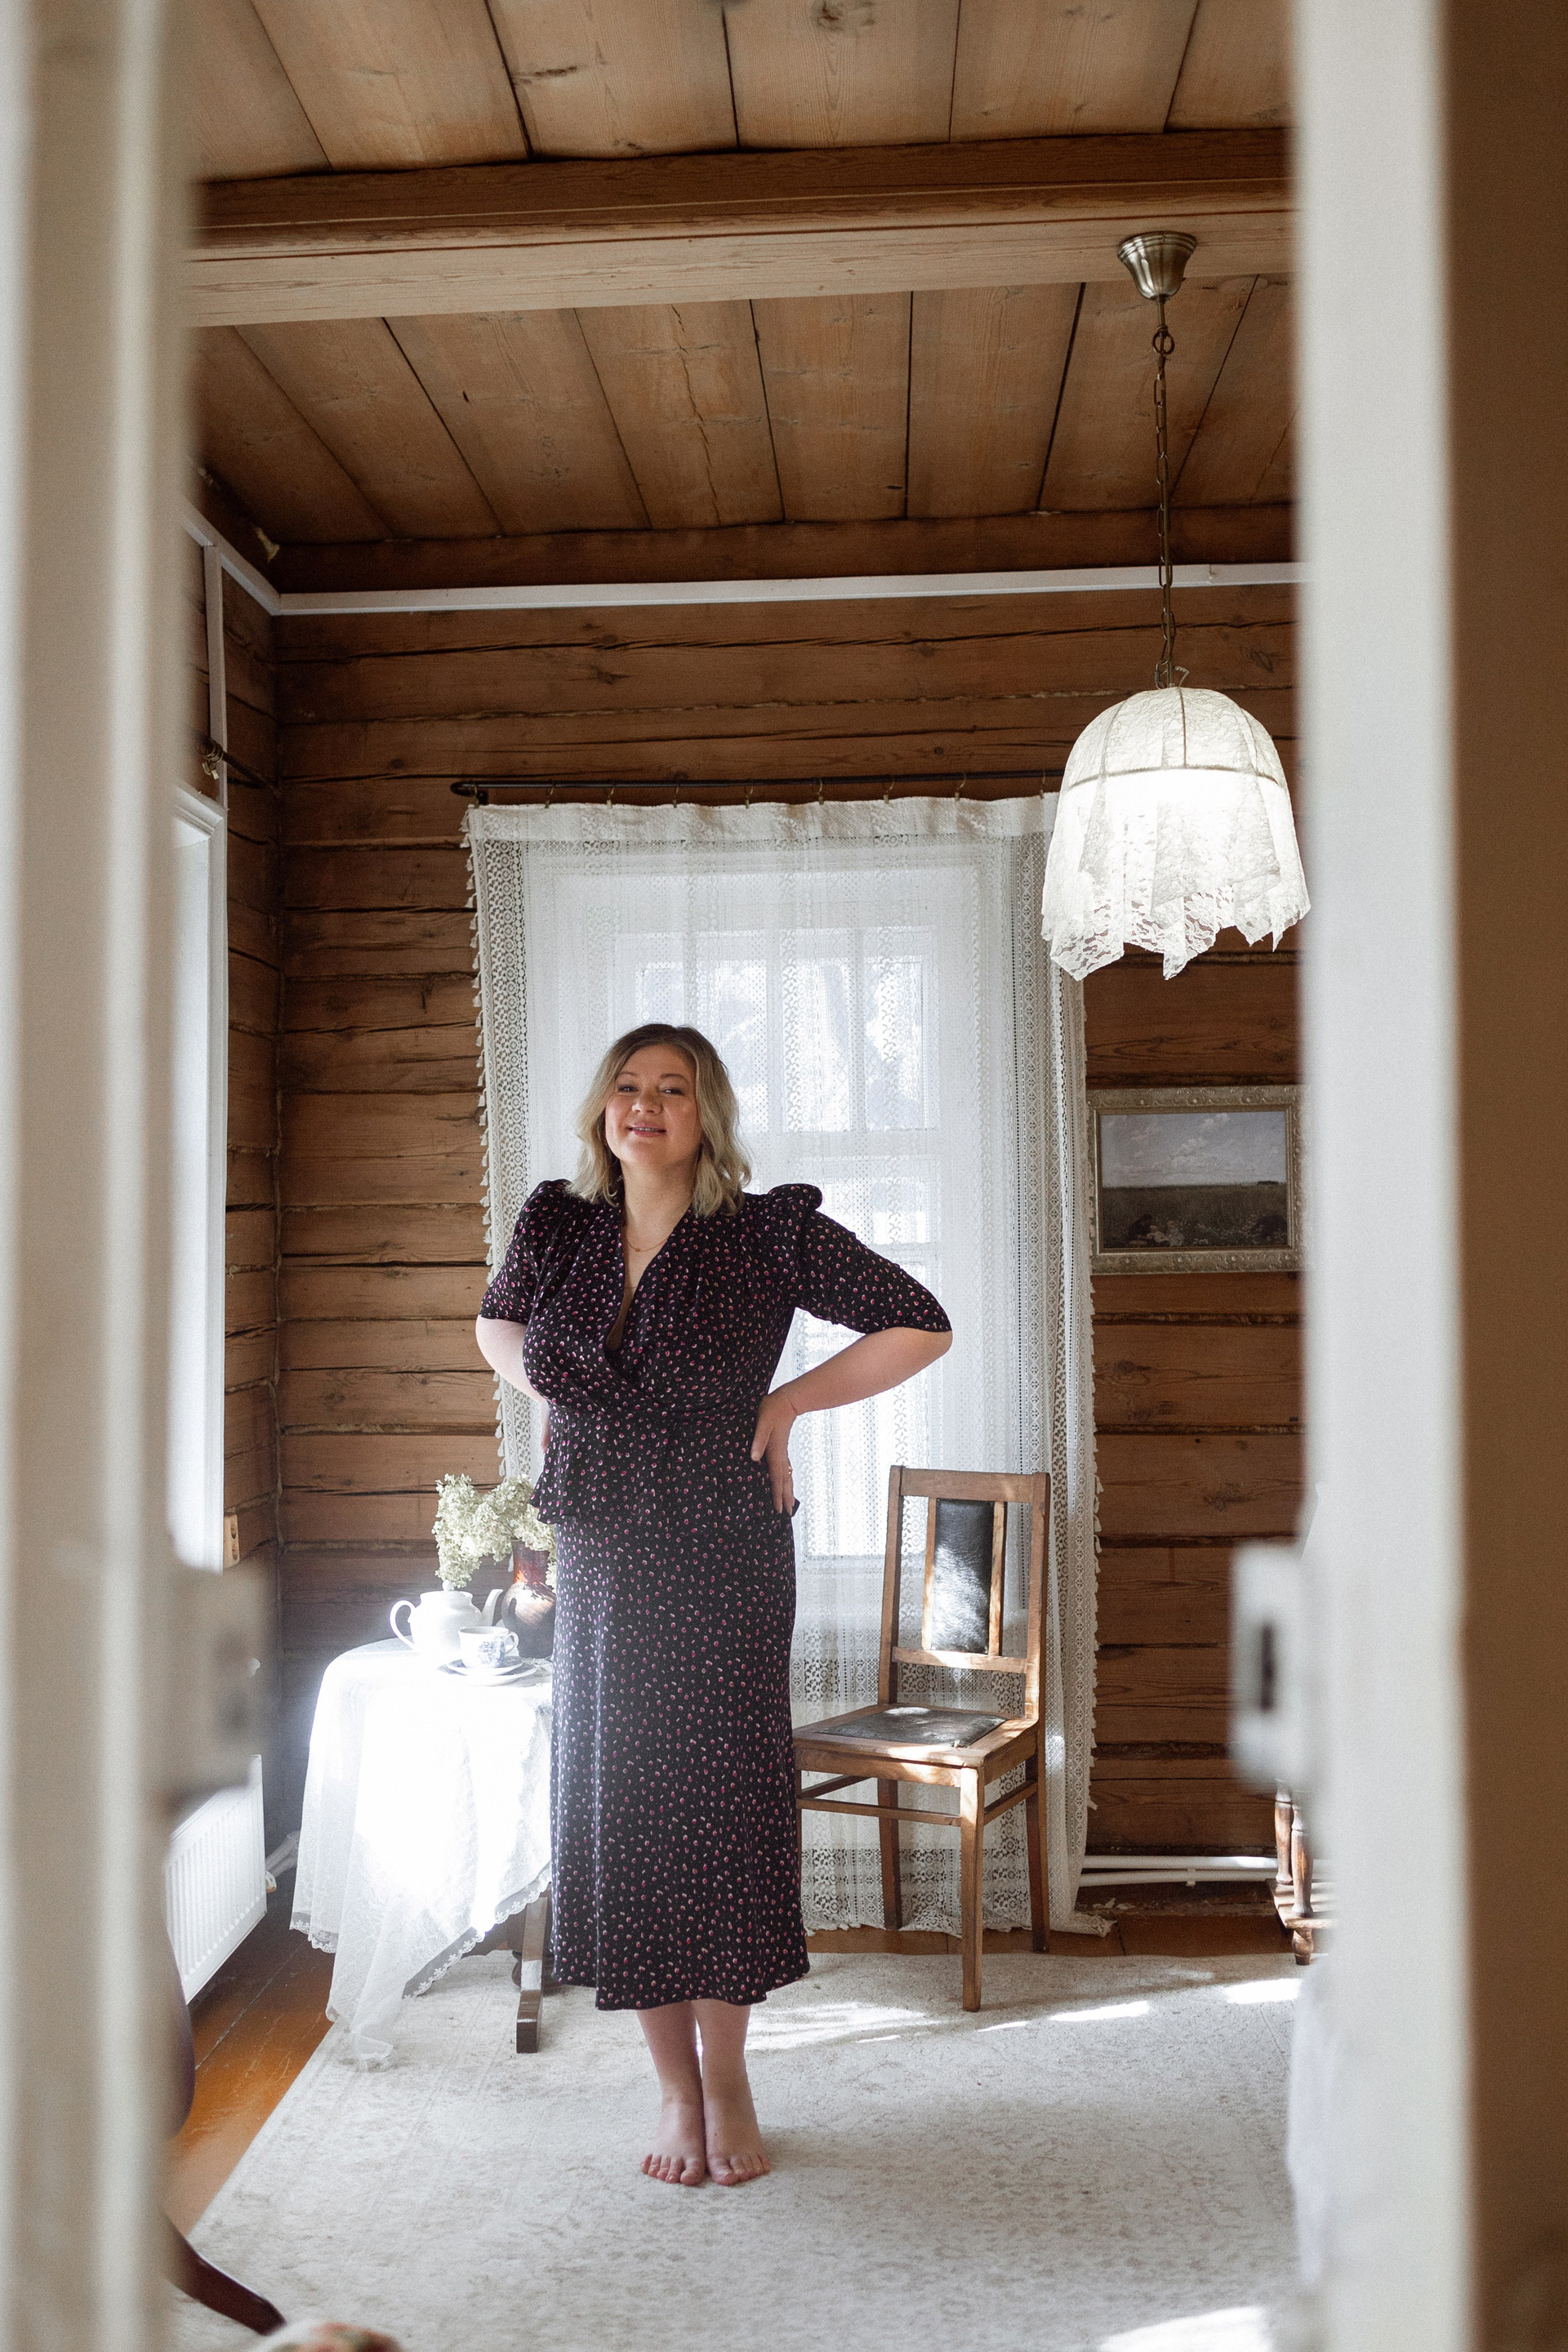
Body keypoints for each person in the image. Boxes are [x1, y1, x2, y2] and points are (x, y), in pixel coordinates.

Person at [474, 1022, 951, 2189]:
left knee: (722, 1804)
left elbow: (919, 1323)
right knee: (628, 1802)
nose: (645, 1106)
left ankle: (729, 2079)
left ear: (707, 1114)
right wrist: (567, 1399)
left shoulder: (766, 1232)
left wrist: (786, 1406)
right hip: (602, 1548)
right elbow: (497, 1324)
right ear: (603, 1107)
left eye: (673, 1090)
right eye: (628, 1087)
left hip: (723, 1548)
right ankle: (673, 2088)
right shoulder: (558, 1221)